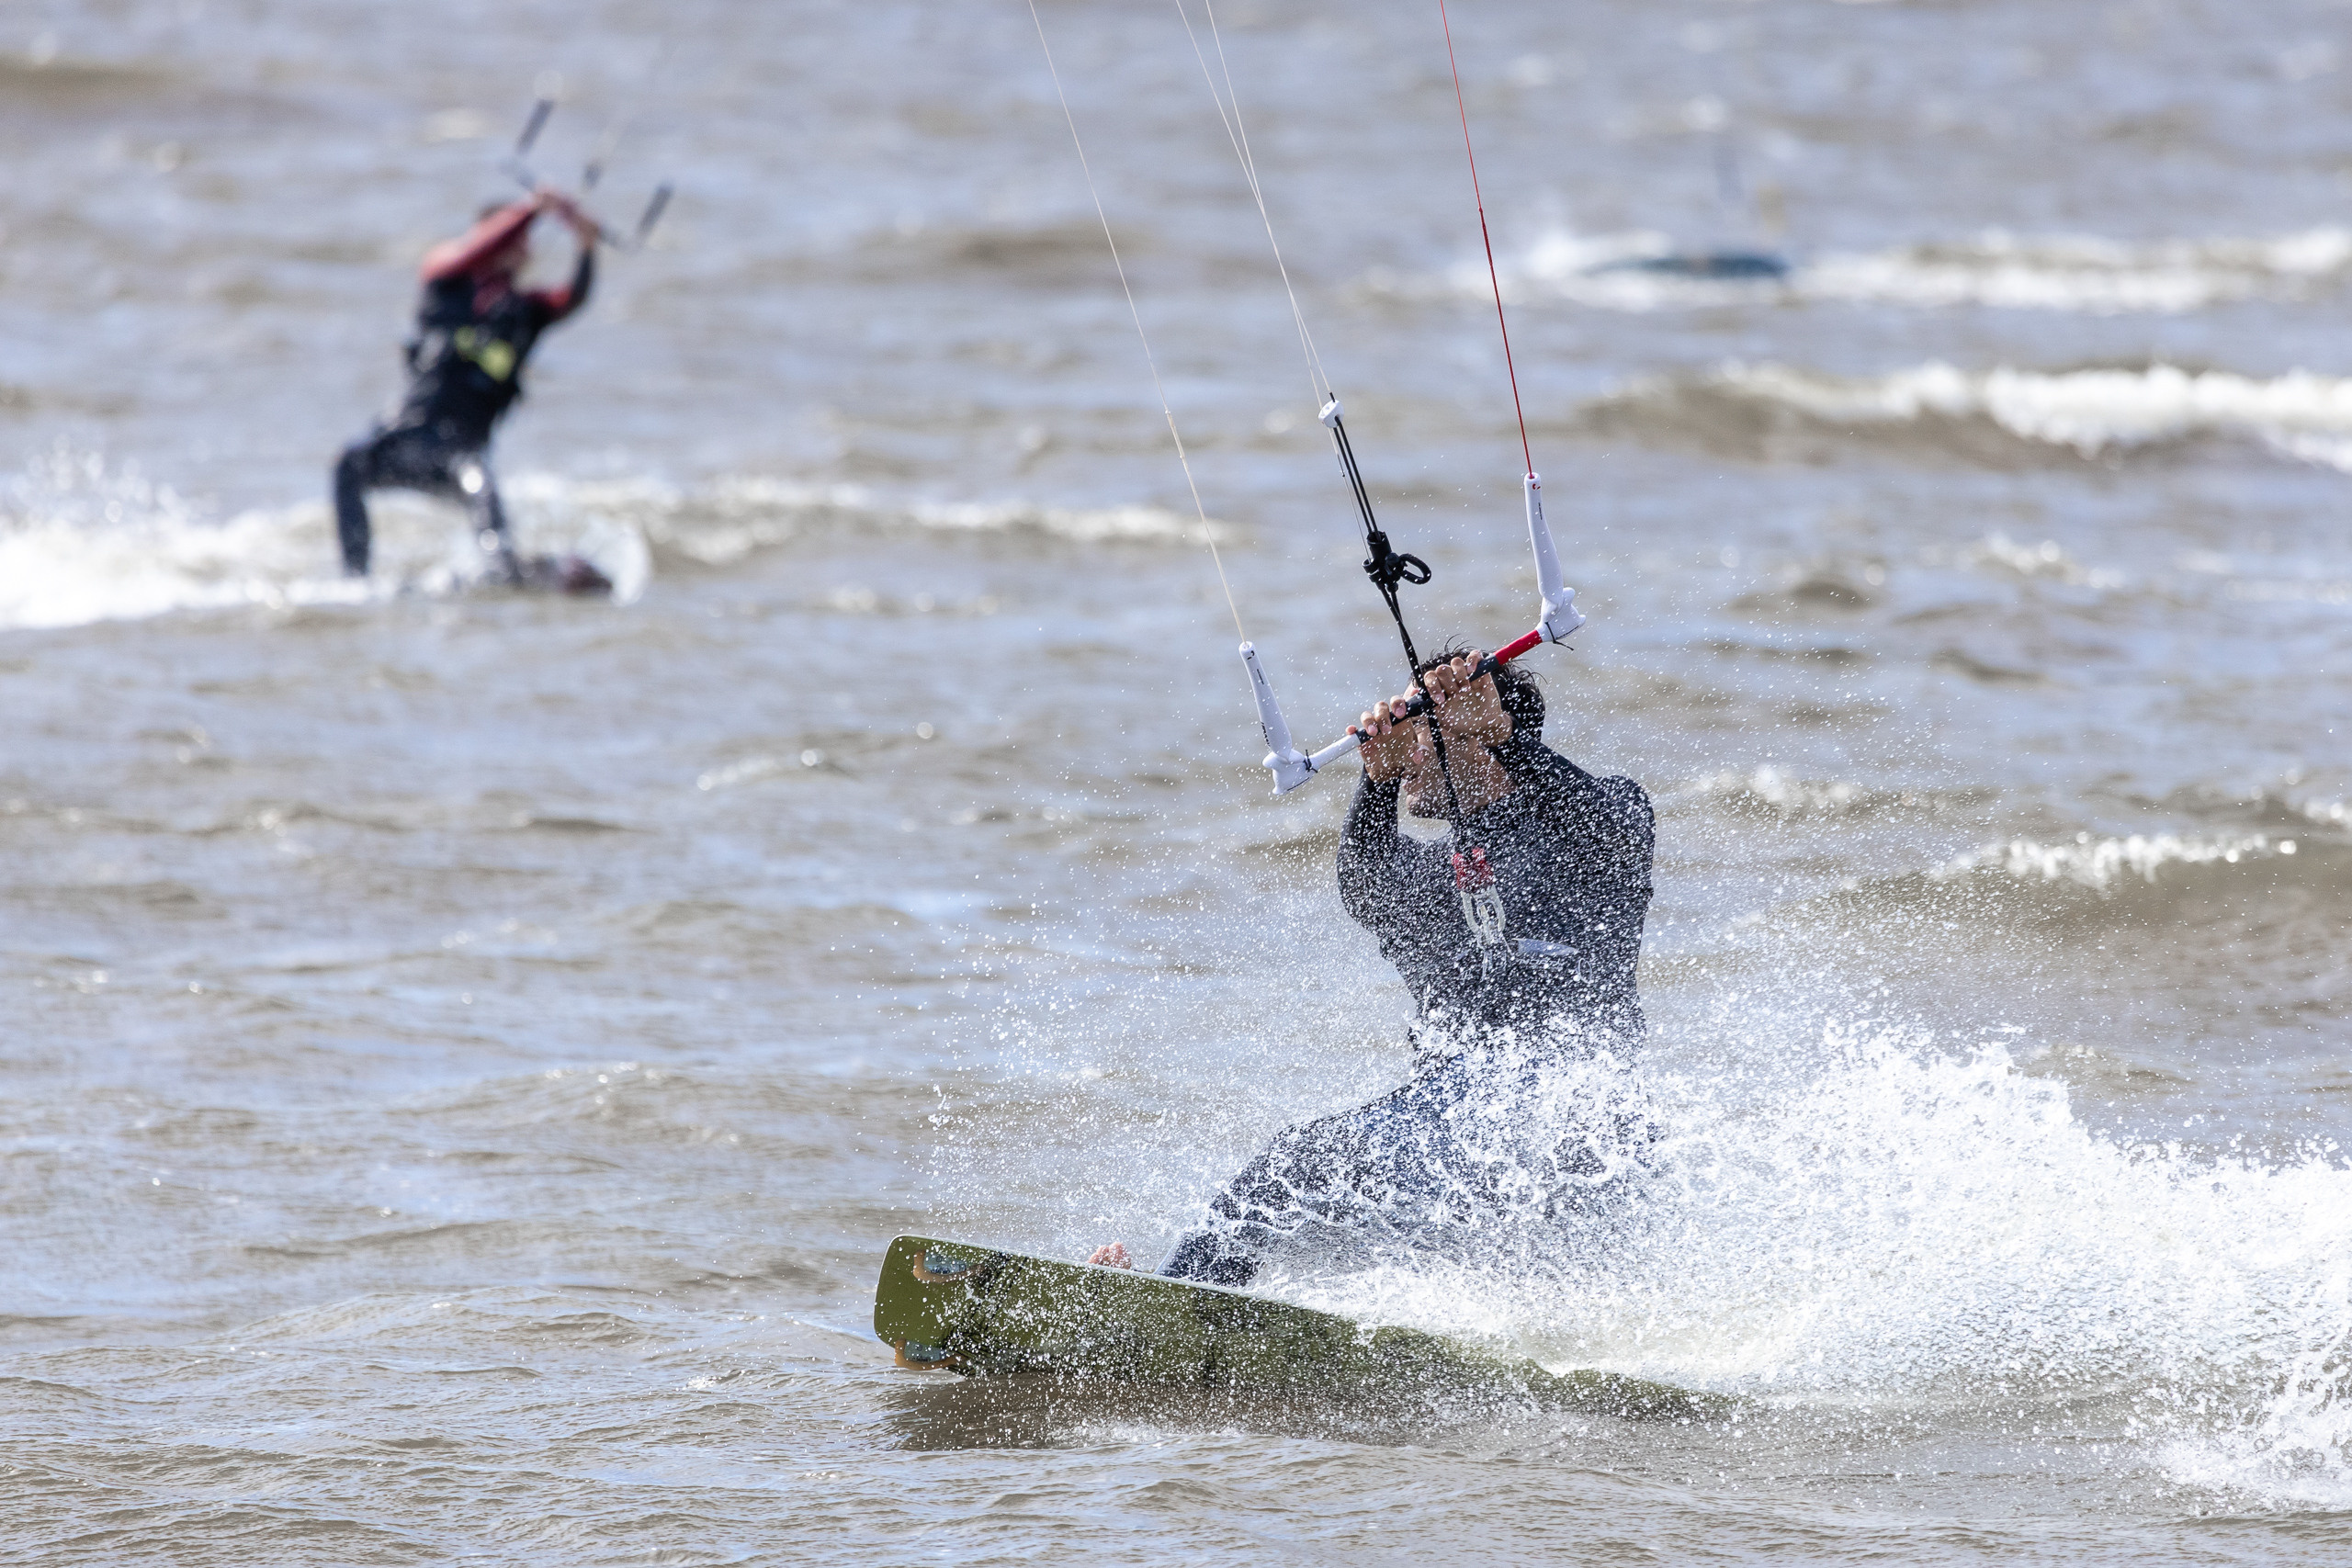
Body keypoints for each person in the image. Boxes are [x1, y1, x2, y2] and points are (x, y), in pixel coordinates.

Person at [1090, 647, 1656, 1287]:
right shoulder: (1431, 877)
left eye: (1424, 729)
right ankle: (1185, 1298)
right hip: (1456, 1136)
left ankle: (1179, 1299)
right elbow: (1367, 888)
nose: (1411, 752)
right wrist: (1377, 783)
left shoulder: (1599, 826)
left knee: (1292, 1167)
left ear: (1478, 734)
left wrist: (1505, 738)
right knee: (1281, 1200)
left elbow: (1613, 823)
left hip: (1580, 1124)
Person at [333, 189, 599, 581]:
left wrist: (586, 245)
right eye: (509, 238)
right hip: (409, 437)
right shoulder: (444, 281)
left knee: (479, 486)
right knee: (349, 463)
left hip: (461, 453)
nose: (519, 247)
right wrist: (531, 209)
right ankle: (357, 581)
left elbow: (571, 298)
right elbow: (475, 249)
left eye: (522, 242)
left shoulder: (525, 311)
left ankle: (506, 572)